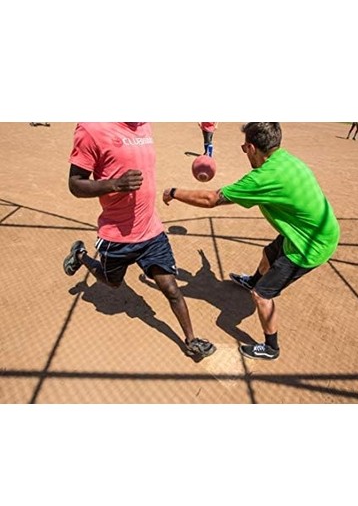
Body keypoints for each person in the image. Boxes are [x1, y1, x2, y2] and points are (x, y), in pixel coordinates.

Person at [163, 122, 340, 361]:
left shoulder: (263, 178)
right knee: (269, 253)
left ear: (253, 148)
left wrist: (173, 192)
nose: (244, 151)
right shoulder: (286, 160)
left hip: (309, 246)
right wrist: (204, 261)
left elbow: (211, 199)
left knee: (262, 296)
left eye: (244, 147)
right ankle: (253, 280)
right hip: (312, 230)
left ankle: (271, 347)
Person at [63, 122, 216, 360]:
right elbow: (75, 184)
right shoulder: (92, 128)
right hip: (117, 236)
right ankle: (80, 254)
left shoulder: (144, 123)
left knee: (171, 288)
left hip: (151, 231)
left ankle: (191, 340)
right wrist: (114, 184)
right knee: (112, 281)